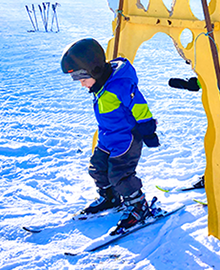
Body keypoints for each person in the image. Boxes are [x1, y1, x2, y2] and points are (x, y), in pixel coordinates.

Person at [60, 38, 159, 233]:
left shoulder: (119, 85)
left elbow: (139, 106)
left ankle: (139, 207)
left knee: (120, 174)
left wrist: (148, 129)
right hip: (107, 138)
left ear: (95, 70)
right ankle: (111, 198)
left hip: (126, 140)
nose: (82, 85)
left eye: (83, 79)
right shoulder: (100, 84)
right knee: (97, 168)